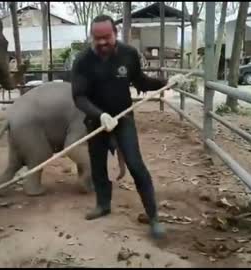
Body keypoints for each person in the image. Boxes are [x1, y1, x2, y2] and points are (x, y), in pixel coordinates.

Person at [71, 14, 187, 239]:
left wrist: (165, 83)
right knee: (98, 166)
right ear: (91, 37)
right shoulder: (83, 61)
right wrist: (100, 114)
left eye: (106, 37)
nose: (102, 42)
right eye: (97, 38)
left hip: (123, 119)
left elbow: (141, 82)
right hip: (96, 121)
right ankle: (103, 205)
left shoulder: (128, 54)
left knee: (135, 164)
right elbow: (79, 96)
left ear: (115, 33)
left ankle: (153, 216)